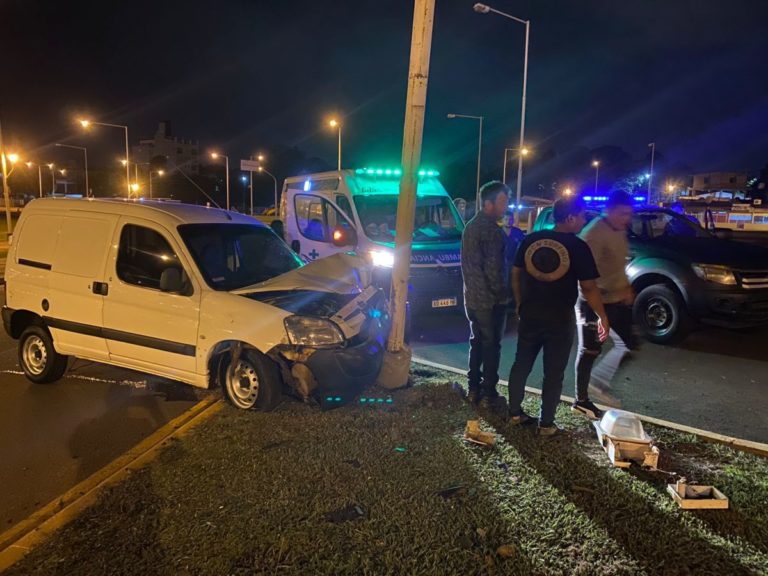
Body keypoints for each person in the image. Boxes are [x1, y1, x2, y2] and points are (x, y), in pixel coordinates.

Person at [507, 197, 609, 436]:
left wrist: (520, 302)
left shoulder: (531, 239)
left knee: (521, 363)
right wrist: (602, 315)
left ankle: (513, 412)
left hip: (530, 313)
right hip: (560, 318)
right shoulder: (578, 246)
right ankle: (546, 424)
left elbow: (515, 274)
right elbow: (589, 287)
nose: (584, 221)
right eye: (582, 216)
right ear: (571, 218)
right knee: (553, 372)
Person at [573, 190, 638, 418]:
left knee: (629, 344)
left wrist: (626, 287)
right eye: (622, 214)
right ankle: (581, 399)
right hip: (594, 301)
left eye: (629, 214)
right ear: (609, 211)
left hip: (616, 300)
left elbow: (617, 265)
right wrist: (599, 311)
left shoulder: (618, 231)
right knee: (590, 349)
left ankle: (597, 383)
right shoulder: (594, 234)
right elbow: (585, 278)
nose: (626, 219)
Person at [461, 181, 511, 410]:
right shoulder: (492, 231)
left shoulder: (470, 227)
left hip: (471, 299)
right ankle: (489, 393)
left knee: (477, 343)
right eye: (503, 201)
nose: (506, 205)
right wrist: (504, 293)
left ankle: (473, 389)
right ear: (489, 203)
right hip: (490, 301)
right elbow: (493, 270)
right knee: (492, 347)